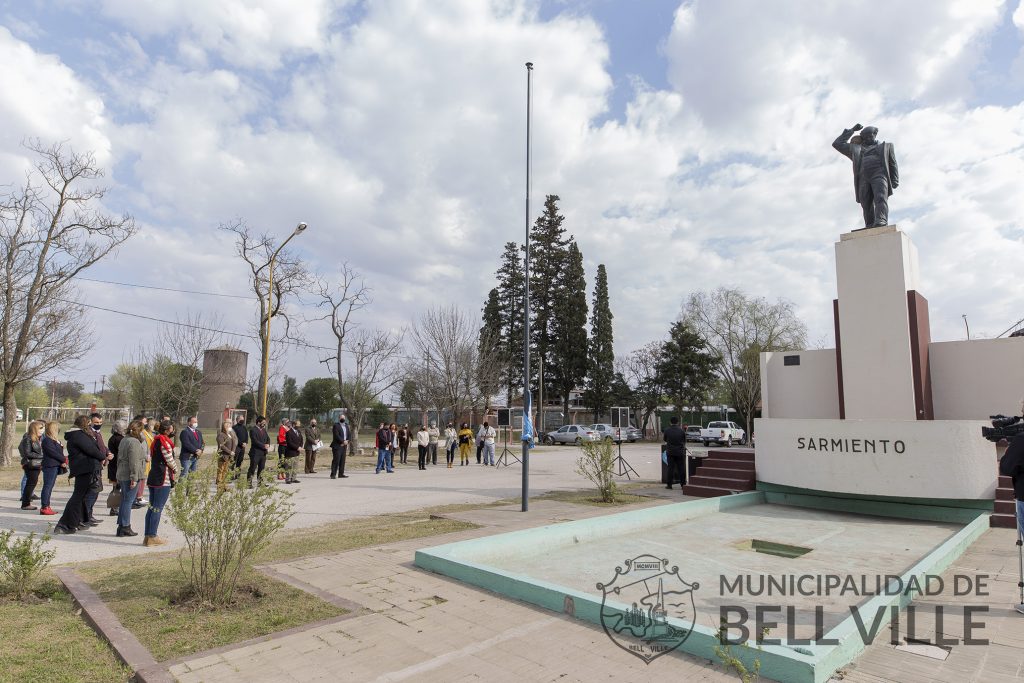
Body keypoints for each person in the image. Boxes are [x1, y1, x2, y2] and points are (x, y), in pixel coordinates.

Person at [832, 123, 899, 229]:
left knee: (880, 197)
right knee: (865, 202)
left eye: (869, 136)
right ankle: (869, 224)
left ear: (875, 134)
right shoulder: (856, 149)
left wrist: (895, 179)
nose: (867, 139)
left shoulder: (886, 146)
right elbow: (837, 144)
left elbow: (893, 163)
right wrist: (852, 130)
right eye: (865, 137)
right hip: (863, 177)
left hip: (879, 174)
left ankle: (881, 219)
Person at [53, 415, 106, 534]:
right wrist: (102, 456)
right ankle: (65, 524)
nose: (90, 426)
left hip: (86, 468)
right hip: (84, 468)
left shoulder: (80, 435)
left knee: (82, 497)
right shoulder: (78, 435)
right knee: (78, 497)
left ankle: (77, 520)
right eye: (89, 424)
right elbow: (91, 449)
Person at [144, 421, 178, 546]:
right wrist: (176, 469)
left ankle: (147, 535)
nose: (173, 431)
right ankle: (152, 536)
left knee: (152, 507)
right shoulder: (164, 441)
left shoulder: (156, 440)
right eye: (172, 429)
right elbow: (169, 459)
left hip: (154, 475)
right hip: (162, 478)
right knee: (157, 508)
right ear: (167, 430)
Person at [115, 421, 147, 537]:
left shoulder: (125, 439)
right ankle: (125, 526)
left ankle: (121, 526)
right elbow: (134, 461)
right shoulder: (133, 442)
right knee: (128, 501)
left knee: (124, 500)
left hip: (123, 472)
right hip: (130, 474)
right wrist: (134, 477)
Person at [39, 421, 66, 516]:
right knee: (47, 486)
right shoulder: (47, 441)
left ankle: (47, 505)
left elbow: (58, 452)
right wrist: (64, 460)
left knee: (50, 486)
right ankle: (44, 506)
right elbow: (53, 453)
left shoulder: (54, 440)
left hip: (55, 465)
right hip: (50, 466)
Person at [19, 420, 44, 510]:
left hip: (36, 464)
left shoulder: (36, 438)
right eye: (40, 428)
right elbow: (27, 453)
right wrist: (42, 456)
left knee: (32, 483)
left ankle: (26, 502)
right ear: (35, 429)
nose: (42, 430)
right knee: (30, 483)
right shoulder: (28, 439)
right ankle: (25, 504)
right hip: (31, 464)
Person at [106, 420, 126, 516]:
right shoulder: (119, 439)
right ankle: (114, 508)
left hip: (114, 465)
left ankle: (115, 507)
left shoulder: (113, 438)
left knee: (116, 487)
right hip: (117, 466)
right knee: (117, 488)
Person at [663, 417, 688, 490]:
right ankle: (683, 484)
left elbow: (665, 439)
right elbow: (684, 440)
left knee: (670, 468)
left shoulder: (667, 430)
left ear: (670, 422)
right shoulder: (681, 431)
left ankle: (669, 485)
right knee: (681, 468)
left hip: (670, 452)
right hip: (680, 452)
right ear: (677, 422)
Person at [134, 416, 154, 509]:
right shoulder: (138, 433)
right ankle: (137, 497)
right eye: (144, 422)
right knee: (140, 478)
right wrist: (146, 456)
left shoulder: (145, 432)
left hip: (147, 457)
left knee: (143, 478)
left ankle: (139, 496)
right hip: (142, 458)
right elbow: (139, 447)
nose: (146, 424)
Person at [247, 415, 270, 486]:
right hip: (255, 453)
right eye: (263, 422)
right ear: (258, 422)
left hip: (263, 453)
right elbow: (255, 441)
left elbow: (268, 438)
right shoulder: (253, 430)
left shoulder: (263, 430)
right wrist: (263, 445)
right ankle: (249, 483)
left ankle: (260, 482)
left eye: (265, 423)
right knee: (252, 468)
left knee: (261, 468)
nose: (264, 424)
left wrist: (268, 444)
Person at [215, 420, 237, 492]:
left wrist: (233, 451)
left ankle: (224, 486)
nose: (228, 426)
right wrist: (230, 452)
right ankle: (219, 487)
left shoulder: (230, 434)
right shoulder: (221, 435)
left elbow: (234, 442)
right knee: (220, 471)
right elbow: (222, 446)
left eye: (229, 425)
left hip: (229, 456)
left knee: (225, 471)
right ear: (223, 427)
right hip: (223, 456)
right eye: (226, 425)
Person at [284, 419, 303, 483]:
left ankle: (293, 478)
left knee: (295, 465)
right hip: (290, 452)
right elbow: (289, 443)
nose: (299, 426)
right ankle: (288, 479)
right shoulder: (289, 432)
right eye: (298, 424)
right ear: (294, 425)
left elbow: (301, 440)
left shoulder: (299, 432)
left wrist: (300, 446)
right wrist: (297, 447)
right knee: (289, 466)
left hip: (297, 452)